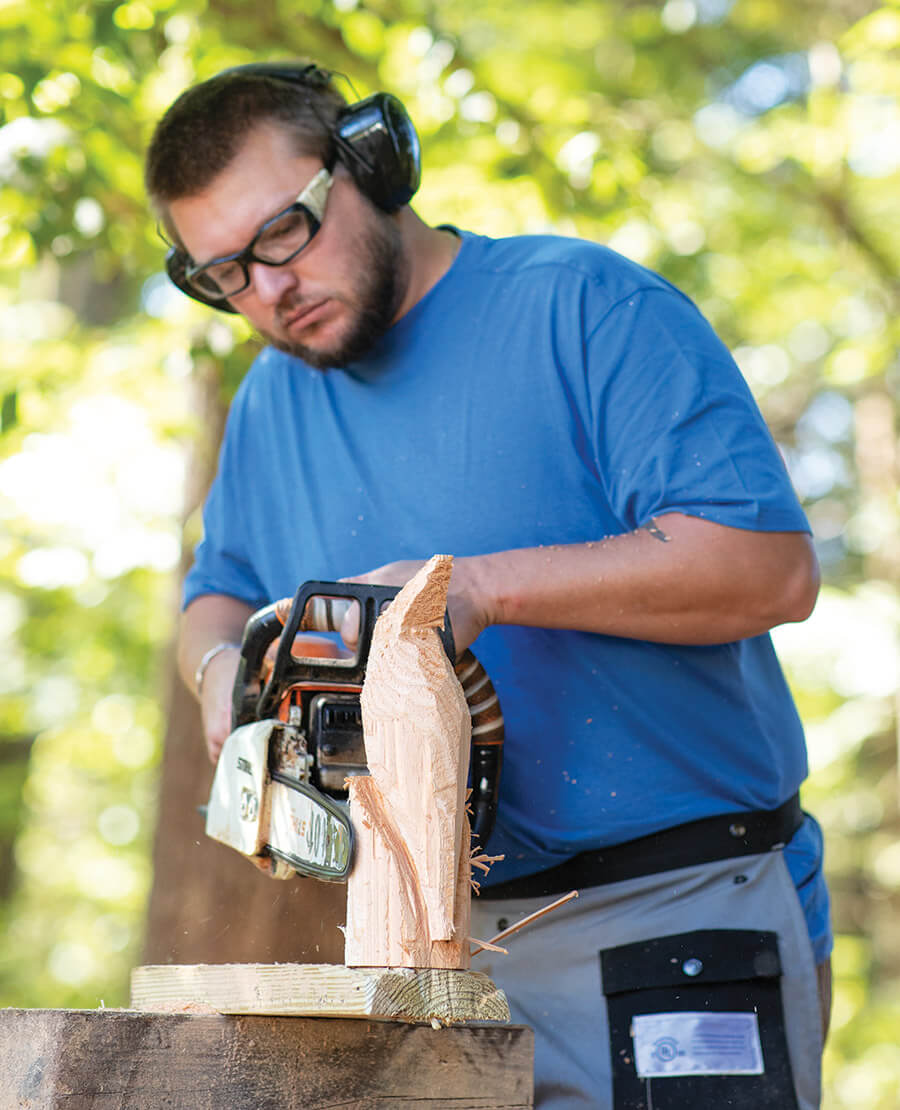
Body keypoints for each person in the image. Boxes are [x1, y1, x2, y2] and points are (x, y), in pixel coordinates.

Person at [146, 61, 831, 1108]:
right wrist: (218, 677)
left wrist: (479, 589)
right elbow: (220, 592)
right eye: (224, 274)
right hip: (429, 957)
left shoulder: (586, 308)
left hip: (676, 913)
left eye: (283, 233)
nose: (268, 290)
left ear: (374, 163)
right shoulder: (272, 402)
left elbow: (768, 569)